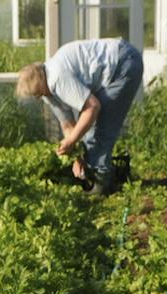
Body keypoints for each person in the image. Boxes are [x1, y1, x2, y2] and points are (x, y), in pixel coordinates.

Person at [17, 37, 144, 195]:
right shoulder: (47, 92)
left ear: (40, 84)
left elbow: (92, 107)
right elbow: (68, 125)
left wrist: (71, 141)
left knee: (98, 129)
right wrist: (77, 157)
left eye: (36, 93)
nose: (37, 98)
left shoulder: (57, 78)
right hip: (118, 62)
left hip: (123, 63)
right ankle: (105, 175)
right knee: (86, 131)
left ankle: (103, 184)